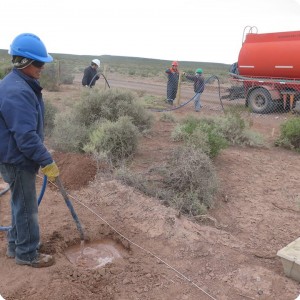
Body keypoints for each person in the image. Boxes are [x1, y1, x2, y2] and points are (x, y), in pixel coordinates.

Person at [0, 33, 60, 268]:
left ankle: (15, 246)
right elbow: (25, 137)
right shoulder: (18, 91)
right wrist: (47, 160)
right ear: (23, 62)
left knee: (20, 204)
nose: (42, 67)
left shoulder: (16, 83)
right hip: (16, 158)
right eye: (38, 63)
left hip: (11, 155)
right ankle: (27, 253)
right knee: (27, 208)